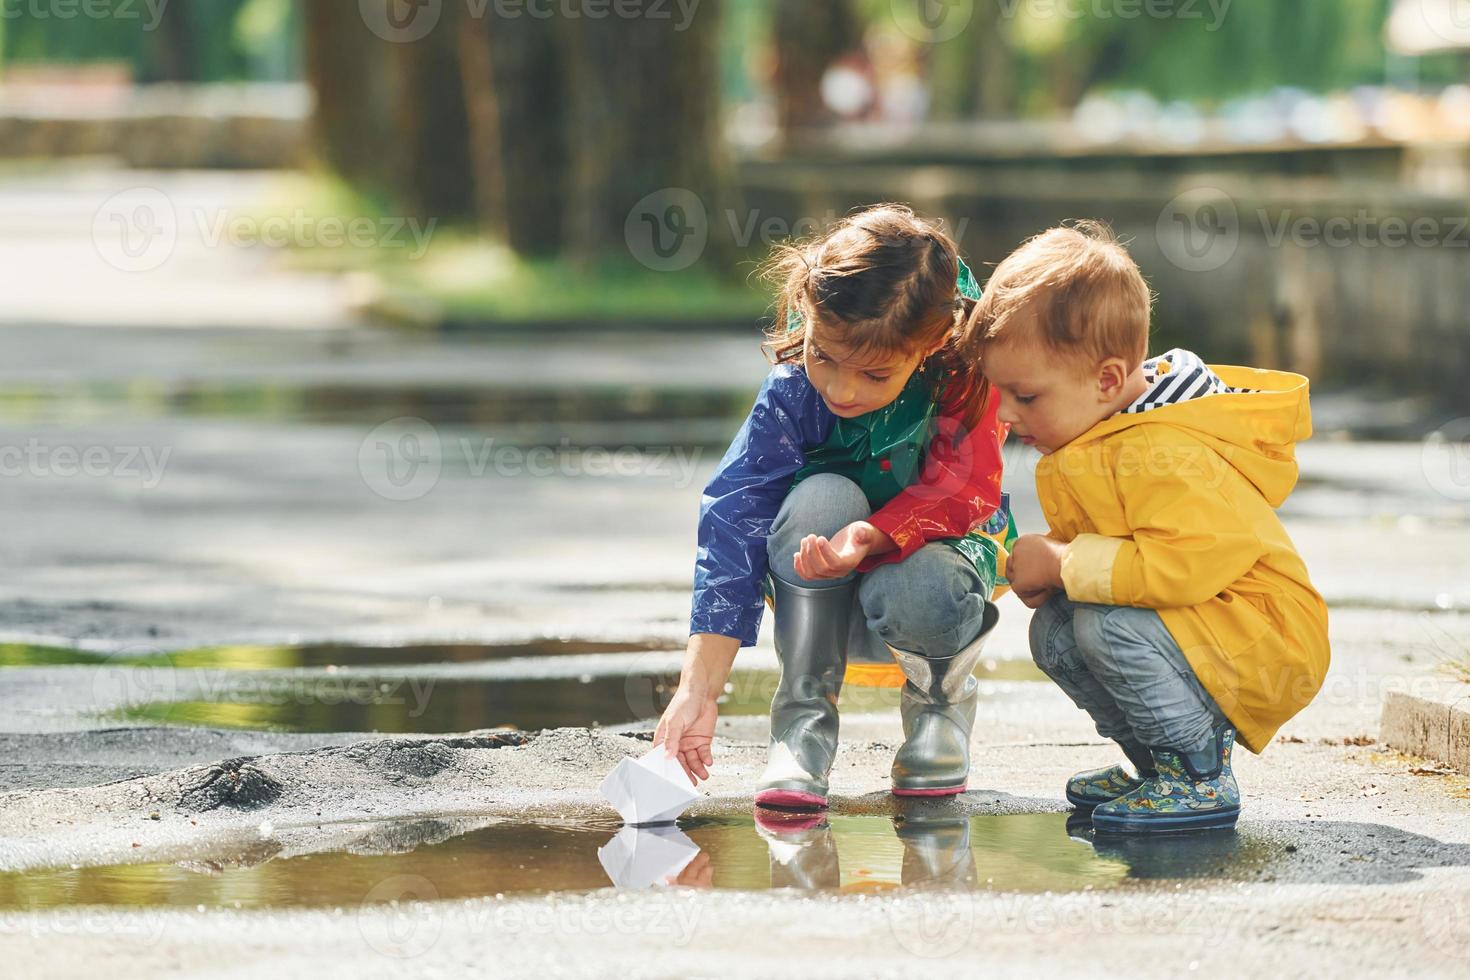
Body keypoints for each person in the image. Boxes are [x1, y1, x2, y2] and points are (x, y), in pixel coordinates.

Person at [969, 221, 1330, 834]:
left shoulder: (1165, 451)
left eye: (1024, 396)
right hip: (1201, 623)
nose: (1004, 413)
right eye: (998, 392)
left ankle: (1197, 776)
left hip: (1259, 633)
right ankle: (1158, 767)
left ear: (1107, 380)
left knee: (1108, 624)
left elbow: (1180, 564)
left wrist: (1061, 562)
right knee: (1057, 628)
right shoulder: (1099, 429)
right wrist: (1056, 571)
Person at [654, 204, 1014, 808]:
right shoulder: (795, 385)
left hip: (931, 587)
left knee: (922, 576)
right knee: (822, 495)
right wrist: (698, 690)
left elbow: (966, 488)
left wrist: (874, 536)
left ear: (930, 346)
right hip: (822, 604)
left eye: (875, 374)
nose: (843, 390)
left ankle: (939, 712)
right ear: (807, 313)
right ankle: (801, 726)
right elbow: (732, 519)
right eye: (825, 356)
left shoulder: (964, 373)